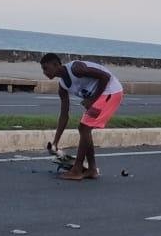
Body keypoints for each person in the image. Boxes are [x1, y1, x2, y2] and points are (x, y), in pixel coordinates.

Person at [40, 53, 125, 181]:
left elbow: (105, 77)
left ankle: (77, 170)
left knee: (84, 128)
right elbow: (64, 115)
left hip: (112, 91)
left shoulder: (76, 68)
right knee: (85, 128)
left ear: (56, 65)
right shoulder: (62, 87)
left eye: (46, 68)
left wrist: (92, 100)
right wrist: (55, 142)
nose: (44, 72)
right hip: (100, 96)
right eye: (43, 69)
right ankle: (91, 169)